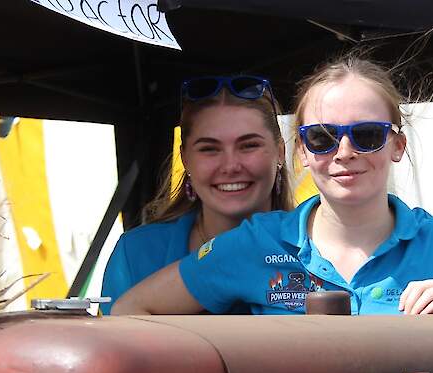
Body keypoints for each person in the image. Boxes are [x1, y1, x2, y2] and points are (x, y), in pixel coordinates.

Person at [112, 55, 433, 316]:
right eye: (321, 137)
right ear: (300, 152)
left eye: (366, 135)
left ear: (397, 145)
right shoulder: (258, 244)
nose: (344, 153)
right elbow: (131, 310)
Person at [100, 76, 294, 314]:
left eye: (248, 145)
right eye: (209, 149)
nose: (230, 166)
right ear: (185, 159)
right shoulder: (137, 253)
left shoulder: (316, 249)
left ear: (281, 152)